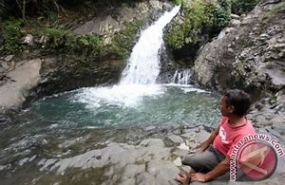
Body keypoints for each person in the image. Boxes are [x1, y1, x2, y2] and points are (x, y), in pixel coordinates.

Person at [174, 89, 256, 185]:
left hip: (223, 158)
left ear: (231, 109)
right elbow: (215, 133)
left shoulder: (244, 135)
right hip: (214, 150)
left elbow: (227, 164)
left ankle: (192, 179)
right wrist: (202, 148)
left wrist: (205, 177)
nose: (219, 107)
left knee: (187, 159)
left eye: (221, 105)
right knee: (196, 159)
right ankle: (188, 180)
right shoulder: (228, 118)